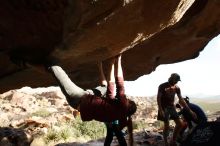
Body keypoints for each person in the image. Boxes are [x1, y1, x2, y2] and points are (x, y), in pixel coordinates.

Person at [47, 54, 137, 145]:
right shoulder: (116, 112)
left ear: (128, 105)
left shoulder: (122, 106)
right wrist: (107, 65)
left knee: (55, 68)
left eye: (128, 100)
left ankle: (48, 59)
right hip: (77, 104)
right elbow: (109, 87)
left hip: (80, 98)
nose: (126, 99)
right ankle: (49, 64)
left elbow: (119, 83)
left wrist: (117, 60)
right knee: (104, 88)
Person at [157, 73, 197, 146]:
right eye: (176, 80)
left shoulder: (177, 88)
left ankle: (173, 141)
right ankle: (166, 142)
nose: (176, 82)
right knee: (167, 125)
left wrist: (190, 111)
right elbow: (158, 98)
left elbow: (181, 99)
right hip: (164, 107)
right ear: (171, 78)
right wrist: (160, 109)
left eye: (177, 81)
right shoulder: (162, 86)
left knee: (180, 124)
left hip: (172, 107)